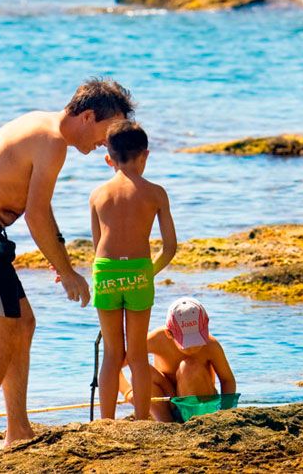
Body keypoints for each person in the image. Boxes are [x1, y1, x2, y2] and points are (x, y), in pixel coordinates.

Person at [0, 78, 134, 451]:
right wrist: (69, 270)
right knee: (2, 338)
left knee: (23, 325)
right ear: (88, 116)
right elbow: (36, 214)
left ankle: (18, 429)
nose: (105, 144)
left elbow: (37, 209)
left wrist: (57, 258)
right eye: (107, 133)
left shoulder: (44, 127)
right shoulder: (52, 141)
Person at [89, 120, 177, 420]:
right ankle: (141, 421)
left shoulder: (97, 195)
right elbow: (170, 247)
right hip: (139, 271)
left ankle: (106, 422)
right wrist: (148, 272)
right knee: (137, 354)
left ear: (108, 159)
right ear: (145, 155)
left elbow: (97, 243)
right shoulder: (156, 193)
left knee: (113, 354)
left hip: (105, 272)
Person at [119, 297, 237, 422]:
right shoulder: (156, 340)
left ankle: (193, 420)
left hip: (198, 405)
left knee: (188, 366)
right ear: (169, 333)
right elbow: (117, 367)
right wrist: (129, 393)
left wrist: (225, 411)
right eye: (187, 341)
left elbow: (227, 380)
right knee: (141, 370)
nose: (193, 347)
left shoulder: (211, 345)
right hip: (167, 400)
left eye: (197, 339)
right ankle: (165, 422)